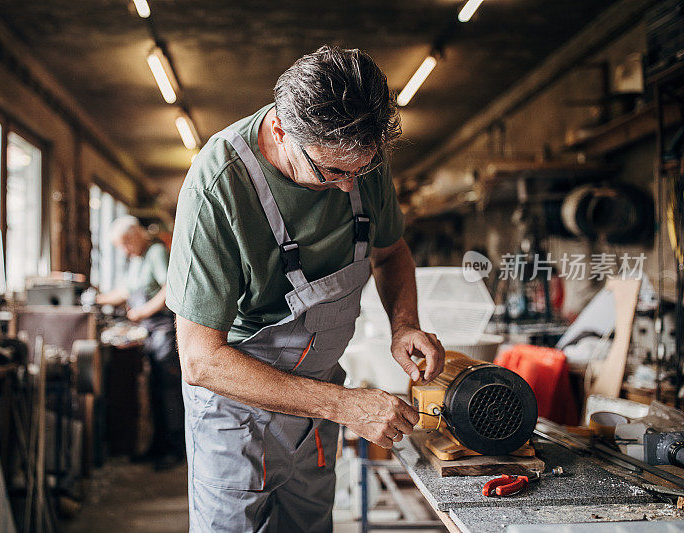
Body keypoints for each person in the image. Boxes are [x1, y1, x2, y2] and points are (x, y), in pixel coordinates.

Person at [166, 46, 446, 531]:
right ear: (280, 131)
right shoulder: (218, 187)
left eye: (360, 170)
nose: (347, 187)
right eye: (332, 172)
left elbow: (391, 252)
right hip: (236, 406)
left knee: (309, 525)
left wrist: (404, 326)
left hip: (317, 401)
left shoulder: (358, 158)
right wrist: (345, 405)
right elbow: (200, 360)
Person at [97, 216, 184, 469]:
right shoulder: (136, 260)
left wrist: (142, 311)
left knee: (169, 391)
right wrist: (98, 298)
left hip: (163, 331)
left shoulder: (156, 252)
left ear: (135, 235)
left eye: (125, 244)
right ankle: (157, 446)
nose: (125, 251)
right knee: (155, 390)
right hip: (148, 332)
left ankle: (175, 449)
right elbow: (124, 291)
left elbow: (170, 288)